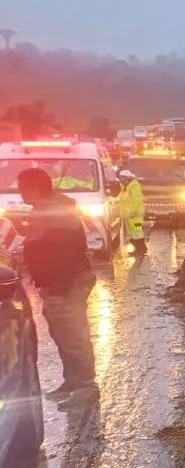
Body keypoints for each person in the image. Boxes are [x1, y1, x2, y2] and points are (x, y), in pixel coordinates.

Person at [17, 168, 99, 408]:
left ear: (35, 189)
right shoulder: (47, 208)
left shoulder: (54, 212)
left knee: (73, 333)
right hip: (56, 281)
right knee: (60, 332)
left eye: (23, 188)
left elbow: (63, 254)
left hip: (66, 281)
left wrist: (58, 284)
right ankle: (72, 381)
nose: (20, 193)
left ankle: (87, 386)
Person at [118, 169, 147, 255]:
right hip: (129, 215)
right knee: (133, 233)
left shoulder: (134, 186)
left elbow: (137, 200)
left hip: (135, 215)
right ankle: (138, 249)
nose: (120, 180)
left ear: (126, 178)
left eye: (121, 178)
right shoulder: (126, 187)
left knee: (137, 232)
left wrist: (133, 212)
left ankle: (142, 249)